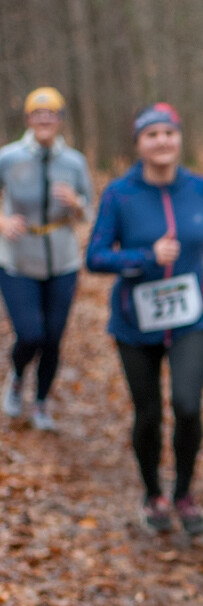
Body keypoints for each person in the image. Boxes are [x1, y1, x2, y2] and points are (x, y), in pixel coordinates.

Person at [86, 103, 203, 536]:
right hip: (135, 322)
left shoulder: (200, 188)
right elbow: (95, 257)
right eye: (152, 135)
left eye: (169, 133)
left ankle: (184, 493)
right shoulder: (119, 193)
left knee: (187, 406)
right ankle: (153, 493)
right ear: (139, 144)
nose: (162, 141)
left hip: (192, 316)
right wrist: (145, 257)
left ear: (179, 138)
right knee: (148, 414)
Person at [0, 87, 93, 431]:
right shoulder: (8, 158)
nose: (44, 120)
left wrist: (76, 204)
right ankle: (16, 377)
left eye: (51, 114)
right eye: (37, 114)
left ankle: (40, 403)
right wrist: (3, 221)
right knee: (30, 334)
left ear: (60, 120)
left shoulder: (74, 161)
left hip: (63, 261)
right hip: (17, 260)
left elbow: (90, 209)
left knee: (53, 338)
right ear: (27, 120)